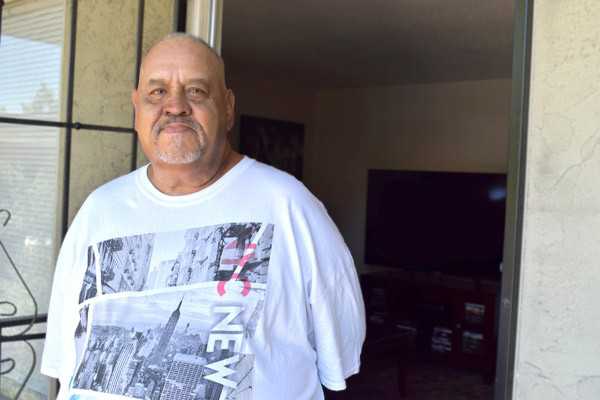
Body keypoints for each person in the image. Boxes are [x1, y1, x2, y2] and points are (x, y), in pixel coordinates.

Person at [41, 33, 365, 400]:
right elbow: (68, 364)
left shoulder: (291, 206)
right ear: (136, 108)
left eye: (196, 91)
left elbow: (336, 364)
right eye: (157, 92)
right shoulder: (98, 211)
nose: (175, 106)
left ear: (227, 107)